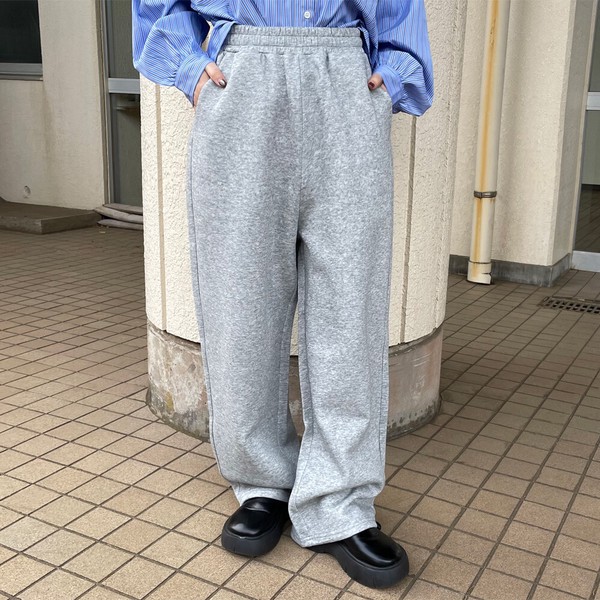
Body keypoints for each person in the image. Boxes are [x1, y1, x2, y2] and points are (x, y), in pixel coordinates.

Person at [132, 0, 434, 589]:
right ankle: (262, 481)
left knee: (351, 308)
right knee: (239, 304)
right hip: (240, 82)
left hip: (346, 84)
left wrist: (391, 77)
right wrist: (190, 67)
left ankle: (340, 501)